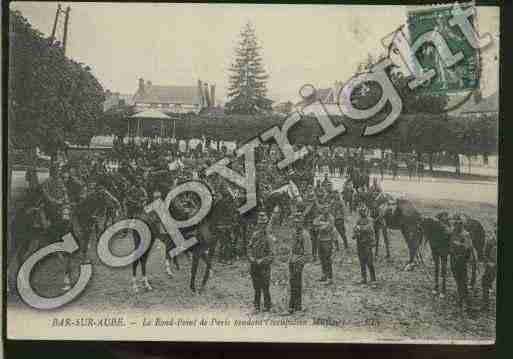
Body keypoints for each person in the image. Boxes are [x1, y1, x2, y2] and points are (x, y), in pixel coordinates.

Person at [247, 211, 274, 313]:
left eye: (264, 224)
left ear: (266, 225)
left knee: (265, 287)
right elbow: (249, 247)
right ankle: (256, 306)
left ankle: (267, 305)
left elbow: (272, 255)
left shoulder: (269, 238)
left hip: (264, 267)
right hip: (254, 265)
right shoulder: (255, 235)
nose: (262, 226)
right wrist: (251, 258)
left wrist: (262, 260)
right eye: (260, 224)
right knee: (256, 287)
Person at [287, 210, 313, 314]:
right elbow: (292, 248)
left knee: (297, 284)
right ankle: (292, 306)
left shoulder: (305, 235)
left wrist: (299, 262)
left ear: (302, 223)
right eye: (295, 222)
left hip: (299, 262)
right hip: (292, 261)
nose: (296, 224)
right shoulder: (294, 233)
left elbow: (308, 254)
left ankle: (297, 306)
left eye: (299, 222)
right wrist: (290, 259)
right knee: (292, 284)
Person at [449, 214, 474, 311]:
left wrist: (460, 245)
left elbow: (469, 247)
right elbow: (449, 244)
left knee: (462, 280)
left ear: (462, 224)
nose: (457, 225)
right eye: (455, 223)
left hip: (461, 260)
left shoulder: (465, 234)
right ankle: (462, 298)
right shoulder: (453, 233)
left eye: (459, 224)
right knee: (457, 279)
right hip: (453, 260)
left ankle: (464, 300)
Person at [353, 206, 377, 284]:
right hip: (360, 243)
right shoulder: (358, 220)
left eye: (364, 211)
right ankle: (364, 278)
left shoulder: (370, 220)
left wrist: (359, 228)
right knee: (362, 261)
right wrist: (355, 232)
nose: (362, 213)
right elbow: (355, 229)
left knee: (369, 262)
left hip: (368, 243)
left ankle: (373, 279)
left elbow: (368, 228)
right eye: (361, 211)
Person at [313, 203, 335, 285]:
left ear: (329, 209)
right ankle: (324, 275)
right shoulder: (321, 216)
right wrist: (323, 224)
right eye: (323, 209)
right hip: (320, 240)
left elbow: (327, 228)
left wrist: (320, 225)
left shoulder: (331, 218)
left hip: (327, 240)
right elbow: (314, 222)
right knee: (321, 258)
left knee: (327, 259)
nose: (325, 210)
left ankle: (330, 278)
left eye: (326, 209)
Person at [481, 225, 497, 311]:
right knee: (485, 282)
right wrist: (488, 263)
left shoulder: (491, 241)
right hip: (491, 266)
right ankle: (486, 305)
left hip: (493, 265)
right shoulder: (490, 241)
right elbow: (485, 255)